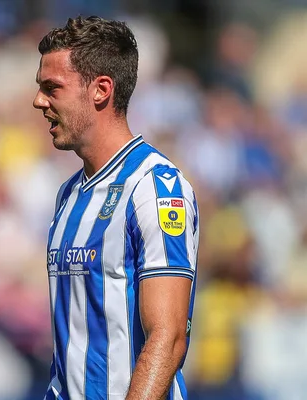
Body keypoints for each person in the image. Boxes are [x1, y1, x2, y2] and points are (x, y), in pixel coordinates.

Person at [33, 16, 199, 400]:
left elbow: (168, 337)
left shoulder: (155, 187)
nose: (38, 100)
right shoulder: (68, 194)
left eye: (52, 88)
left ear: (100, 90)